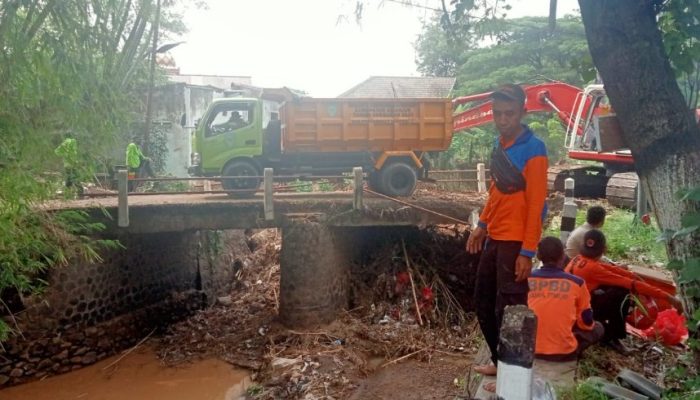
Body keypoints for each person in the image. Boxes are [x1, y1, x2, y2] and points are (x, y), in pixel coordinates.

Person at [466, 83, 549, 383]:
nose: (503, 120)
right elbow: (496, 192)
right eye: (498, 114)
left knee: (511, 312)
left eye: (509, 114)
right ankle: (501, 362)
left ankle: (512, 380)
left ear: (523, 112)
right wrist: (482, 226)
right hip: (495, 237)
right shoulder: (499, 145)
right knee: (482, 301)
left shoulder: (534, 150)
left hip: (515, 242)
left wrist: (528, 251)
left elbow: (537, 204)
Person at [566, 229, 684, 354]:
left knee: (612, 289)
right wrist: (669, 298)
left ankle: (605, 329)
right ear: (604, 249)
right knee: (621, 293)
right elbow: (630, 284)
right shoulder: (593, 268)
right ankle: (612, 337)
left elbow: (613, 270)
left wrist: (632, 275)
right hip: (578, 312)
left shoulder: (578, 259)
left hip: (571, 306)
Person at [528, 237, 604, 361]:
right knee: (598, 328)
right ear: (563, 256)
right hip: (563, 353)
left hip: (528, 349)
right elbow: (586, 323)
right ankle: (568, 347)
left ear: (538, 256)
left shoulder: (526, 279)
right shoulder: (577, 283)